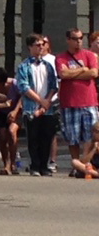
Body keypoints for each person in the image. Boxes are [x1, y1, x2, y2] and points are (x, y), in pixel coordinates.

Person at [55, 28, 99, 176]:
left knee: (90, 136)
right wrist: (83, 70)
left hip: (89, 102)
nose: (78, 41)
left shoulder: (89, 55)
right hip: (70, 103)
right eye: (75, 38)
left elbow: (93, 73)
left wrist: (73, 73)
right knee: (72, 138)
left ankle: (85, 165)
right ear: (68, 40)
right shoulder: (61, 57)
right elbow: (63, 74)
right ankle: (76, 165)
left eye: (80, 38)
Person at [16, 33, 58, 177]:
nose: (41, 47)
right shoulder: (24, 66)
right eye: (37, 45)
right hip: (31, 107)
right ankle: (34, 165)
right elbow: (23, 87)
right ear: (30, 47)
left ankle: (44, 166)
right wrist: (40, 101)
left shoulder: (48, 66)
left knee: (46, 137)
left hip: (47, 108)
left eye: (42, 45)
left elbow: (54, 85)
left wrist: (46, 102)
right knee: (33, 137)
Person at [0, 67, 22, 175]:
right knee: (3, 135)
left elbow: (23, 96)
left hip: (17, 112)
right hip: (2, 113)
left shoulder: (14, 84)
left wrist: (15, 111)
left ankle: (13, 163)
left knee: (11, 131)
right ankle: (6, 164)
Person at [41, 35, 59, 172]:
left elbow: (57, 82)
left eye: (44, 43)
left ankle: (52, 161)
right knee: (36, 132)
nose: (41, 46)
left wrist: (49, 99)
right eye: (39, 43)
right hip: (36, 100)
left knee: (51, 132)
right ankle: (38, 161)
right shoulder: (30, 61)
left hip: (53, 101)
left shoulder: (53, 60)